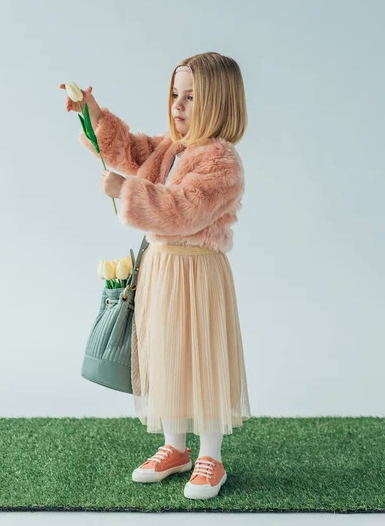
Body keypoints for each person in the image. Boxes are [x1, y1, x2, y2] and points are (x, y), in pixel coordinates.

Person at [60, 51, 252, 501]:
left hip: (198, 271)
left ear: (219, 105)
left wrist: (127, 190)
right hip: (163, 267)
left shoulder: (222, 162)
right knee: (166, 354)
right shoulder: (170, 147)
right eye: (174, 94)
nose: (178, 105)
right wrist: (94, 116)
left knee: (200, 357)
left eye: (190, 97)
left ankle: (210, 454)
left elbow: (183, 209)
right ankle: (174, 447)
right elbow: (129, 150)